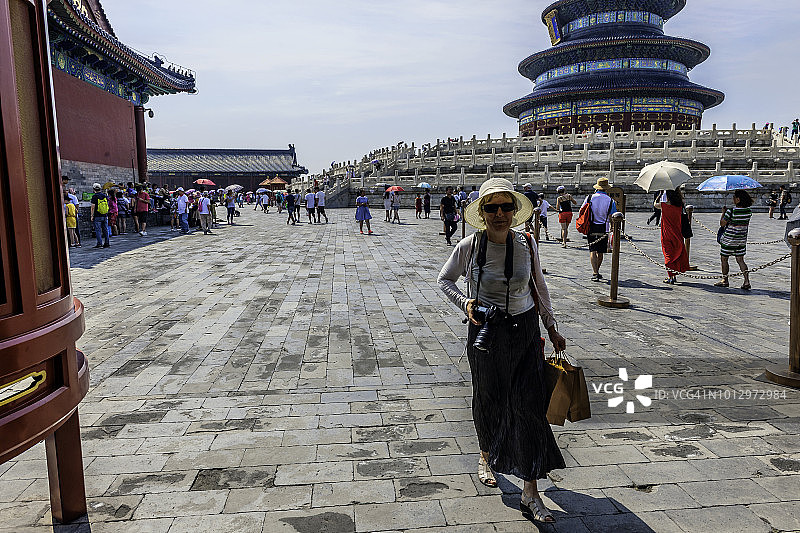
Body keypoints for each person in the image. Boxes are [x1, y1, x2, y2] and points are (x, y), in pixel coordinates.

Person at [437, 178, 566, 524]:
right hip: (486, 333)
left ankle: (531, 490)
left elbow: (539, 287)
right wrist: (464, 303)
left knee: (528, 408)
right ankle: (485, 453)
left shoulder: (527, 243)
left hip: (524, 332)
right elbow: (444, 279)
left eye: (506, 207)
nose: (499, 214)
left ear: (515, 210)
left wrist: (552, 328)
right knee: (489, 398)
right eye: (491, 208)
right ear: (481, 212)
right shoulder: (470, 246)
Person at [715, 189, 753, 290]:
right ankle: (746, 281)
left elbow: (722, 223)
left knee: (724, 259)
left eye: (734, 197)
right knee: (740, 260)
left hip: (729, 239)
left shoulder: (731, 211)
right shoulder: (748, 211)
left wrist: (723, 213)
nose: (733, 199)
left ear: (738, 199)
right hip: (741, 239)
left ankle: (725, 280)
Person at [582, 177, 617, 282]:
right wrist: (612, 228)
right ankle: (597, 270)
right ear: (606, 188)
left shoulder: (590, 197)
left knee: (592, 250)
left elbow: (582, 210)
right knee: (601, 251)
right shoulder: (610, 200)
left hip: (591, 226)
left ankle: (595, 272)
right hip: (604, 227)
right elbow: (613, 216)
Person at [659, 189, 689, 284]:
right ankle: (673, 275)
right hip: (678, 234)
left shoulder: (664, 206)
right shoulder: (680, 206)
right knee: (676, 255)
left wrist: (659, 196)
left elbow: (655, 204)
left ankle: (671, 277)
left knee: (668, 255)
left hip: (667, 234)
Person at [90, 183, 110, 248]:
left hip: (97, 215)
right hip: (104, 214)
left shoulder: (95, 196)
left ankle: (99, 243)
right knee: (105, 229)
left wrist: (92, 215)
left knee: (98, 230)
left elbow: (93, 207)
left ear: (94, 189)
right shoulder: (104, 195)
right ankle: (107, 243)